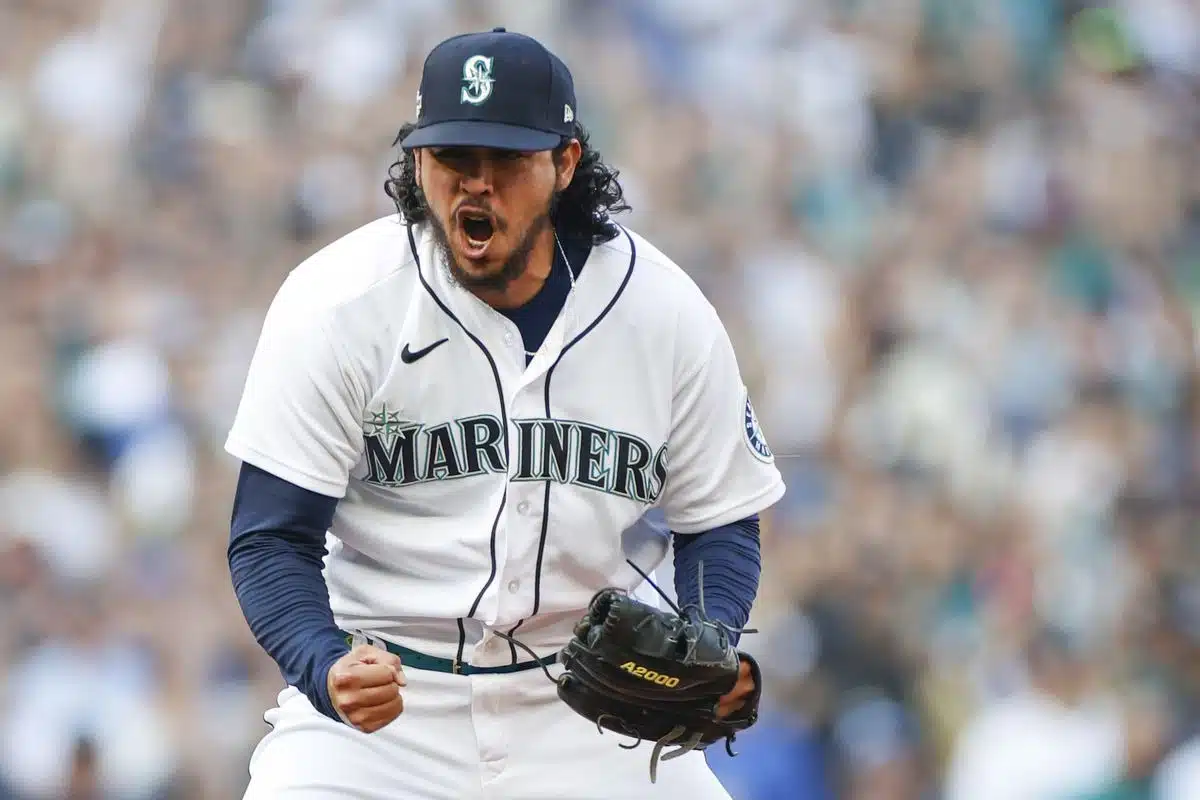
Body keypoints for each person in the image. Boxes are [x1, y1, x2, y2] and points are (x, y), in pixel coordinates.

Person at [225, 27, 785, 799]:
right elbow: (269, 538)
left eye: (506, 160)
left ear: (564, 163)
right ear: (418, 163)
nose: (475, 185)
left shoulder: (663, 314)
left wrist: (712, 638)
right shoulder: (339, 304)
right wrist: (322, 662)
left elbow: (720, 520)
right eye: (453, 158)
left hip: (589, 707)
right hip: (381, 722)